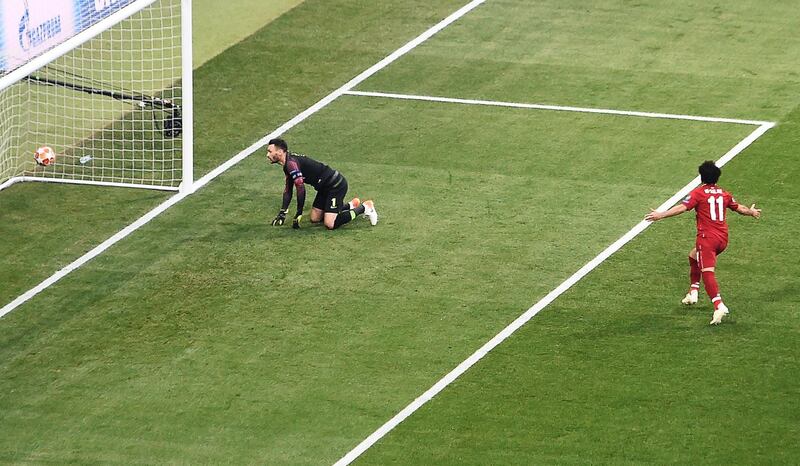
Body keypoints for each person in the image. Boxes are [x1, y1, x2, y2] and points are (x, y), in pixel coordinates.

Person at [645, 160, 761, 325]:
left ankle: (718, 305)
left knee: (707, 272)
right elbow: (739, 208)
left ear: (701, 176)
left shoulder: (698, 193)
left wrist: (661, 215)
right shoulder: (724, 193)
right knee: (693, 256)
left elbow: (682, 208)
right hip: (722, 239)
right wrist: (751, 212)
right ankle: (693, 292)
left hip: (707, 239)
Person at [266, 138, 377, 230]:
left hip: (335, 185)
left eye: (270, 151)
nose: (267, 155)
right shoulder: (288, 165)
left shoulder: (291, 164)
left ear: (280, 152)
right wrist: (282, 212)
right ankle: (350, 205)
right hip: (324, 188)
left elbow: (300, 189)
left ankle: (365, 207)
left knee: (330, 223)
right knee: (315, 218)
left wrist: (299, 212)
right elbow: (288, 190)